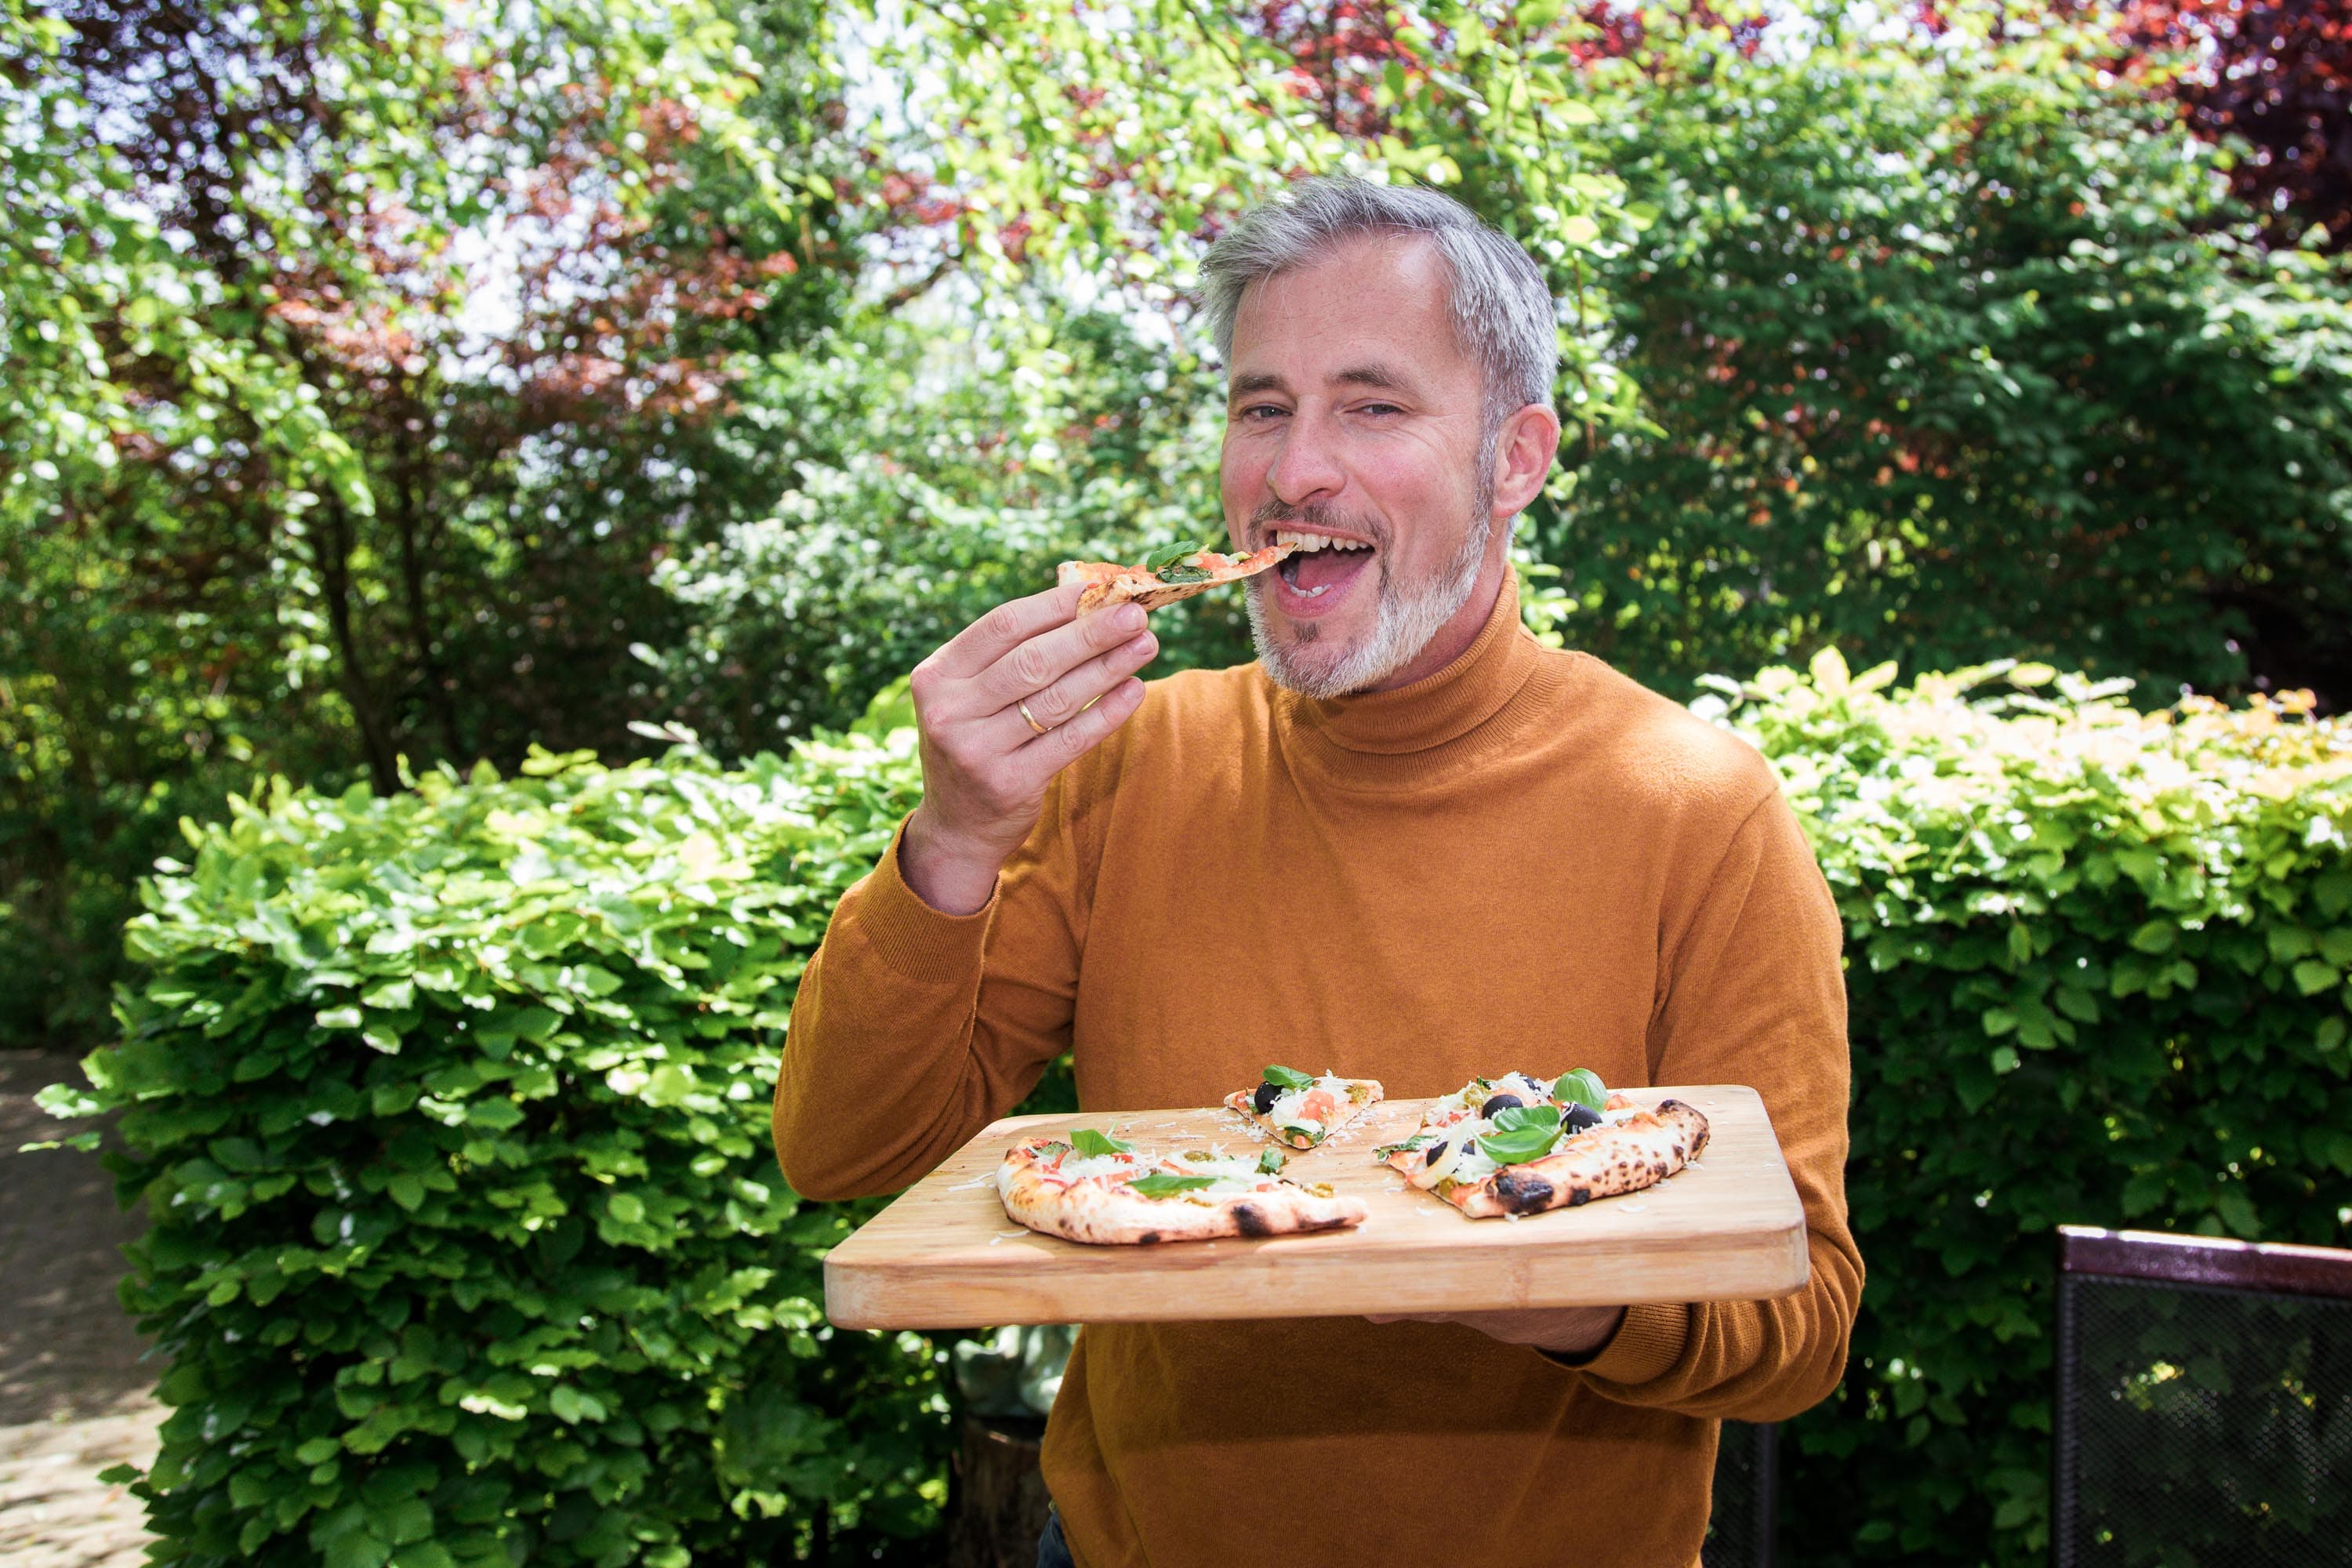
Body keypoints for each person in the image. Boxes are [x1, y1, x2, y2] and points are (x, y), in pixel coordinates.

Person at [773, 176, 1863, 1568]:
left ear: (1515, 459)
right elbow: (844, 1151)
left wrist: (1543, 1282)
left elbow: (1800, 1325)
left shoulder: (1701, 808)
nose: (1295, 472)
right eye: (1261, 406)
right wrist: (955, 842)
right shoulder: (1128, 764)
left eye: (1373, 405)